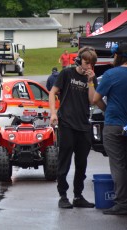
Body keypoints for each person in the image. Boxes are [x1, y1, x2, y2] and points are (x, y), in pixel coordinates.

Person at [49, 46, 98, 209]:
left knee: (82, 163)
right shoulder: (67, 74)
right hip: (67, 123)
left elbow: (92, 101)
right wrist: (53, 114)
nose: (88, 67)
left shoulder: (91, 78)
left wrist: (91, 82)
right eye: (86, 63)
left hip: (83, 124)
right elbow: (52, 92)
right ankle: (63, 195)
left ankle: (78, 195)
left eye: (91, 64)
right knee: (65, 160)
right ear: (79, 61)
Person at [93, 41, 127, 215]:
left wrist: (107, 111)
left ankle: (122, 204)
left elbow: (96, 99)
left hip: (114, 124)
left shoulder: (111, 74)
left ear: (117, 56)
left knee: (118, 165)